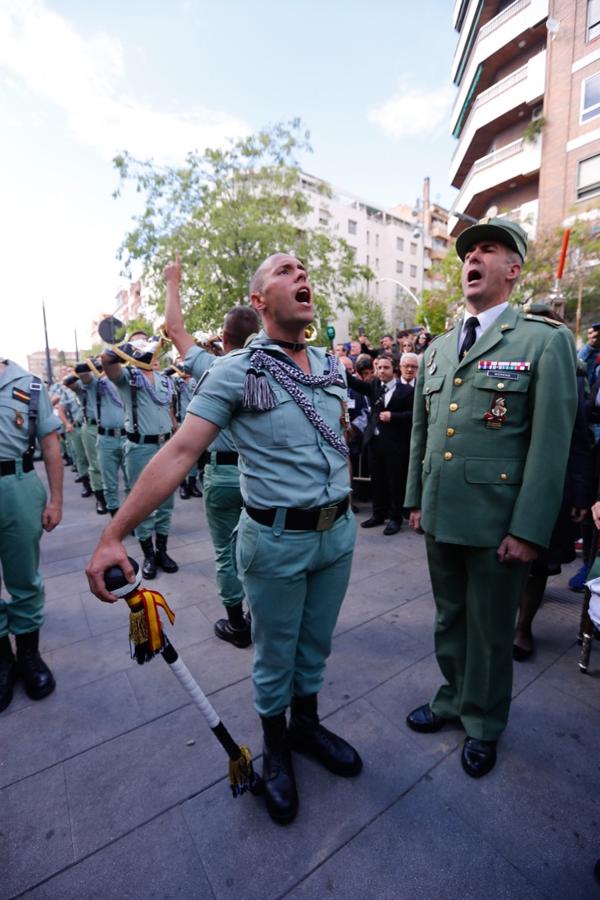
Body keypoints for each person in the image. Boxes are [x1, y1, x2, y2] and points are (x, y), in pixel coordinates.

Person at [87, 252, 362, 825]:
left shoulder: (330, 367)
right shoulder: (235, 371)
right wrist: (115, 533)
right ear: (260, 302)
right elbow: (180, 452)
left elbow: (333, 438)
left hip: (336, 537)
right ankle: (276, 747)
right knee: (275, 654)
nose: (301, 275)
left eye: (302, 269)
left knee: (315, 647)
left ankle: (306, 726)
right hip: (275, 542)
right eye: (285, 271)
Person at [404, 217, 577, 778]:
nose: (472, 258)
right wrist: (414, 499)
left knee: (490, 629)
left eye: (488, 249)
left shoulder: (543, 342)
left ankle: (483, 721)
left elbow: (550, 447)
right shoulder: (436, 349)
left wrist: (529, 530)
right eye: (468, 252)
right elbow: (422, 434)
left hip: (498, 521)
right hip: (441, 512)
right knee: (449, 617)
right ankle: (452, 698)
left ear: (513, 269)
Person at [163, 254, 258, 649]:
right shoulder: (269, 366)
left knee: (225, 552)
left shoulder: (213, 367)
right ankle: (263, 614)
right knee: (261, 546)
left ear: (222, 337)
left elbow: (173, 329)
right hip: (258, 476)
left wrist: (173, 281)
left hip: (221, 475)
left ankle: (237, 624)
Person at [0, 359, 63, 711]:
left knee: (24, 577)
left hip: (18, 486)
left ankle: (28, 655)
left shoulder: (29, 384)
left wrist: (56, 499)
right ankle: (2, 660)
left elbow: (50, 444)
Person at [101, 331, 179, 580]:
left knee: (166, 501)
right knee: (142, 501)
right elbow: (106, 361)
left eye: (149, 343)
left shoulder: (166, 380)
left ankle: (162, 551)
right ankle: (148, 555)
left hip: (166, 446)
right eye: (141, 344)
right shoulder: (127, 377)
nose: (149, 349)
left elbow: (170, 412)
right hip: (140, 448)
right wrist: (129, 348)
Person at [358, 353, 414, 535]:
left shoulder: (406, 390)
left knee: (395, 482)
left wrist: (394, 417)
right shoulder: (375, 386)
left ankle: (395, 518)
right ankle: (378, 514)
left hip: (396, 445)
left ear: (394, 369)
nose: (381, 371)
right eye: (379, 367)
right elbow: (356, 384)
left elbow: (414, 415)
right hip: (375, 442)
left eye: (386, 367)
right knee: (377, 480)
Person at [78, 361, 130, 517]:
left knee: (132, 482)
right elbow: (83, 374)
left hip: (128, 437)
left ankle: (130, 518)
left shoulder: (126, 380)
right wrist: (93, 364)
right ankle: (115, 517)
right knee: (109, 483)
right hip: (106, 439)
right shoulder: (97, 383)